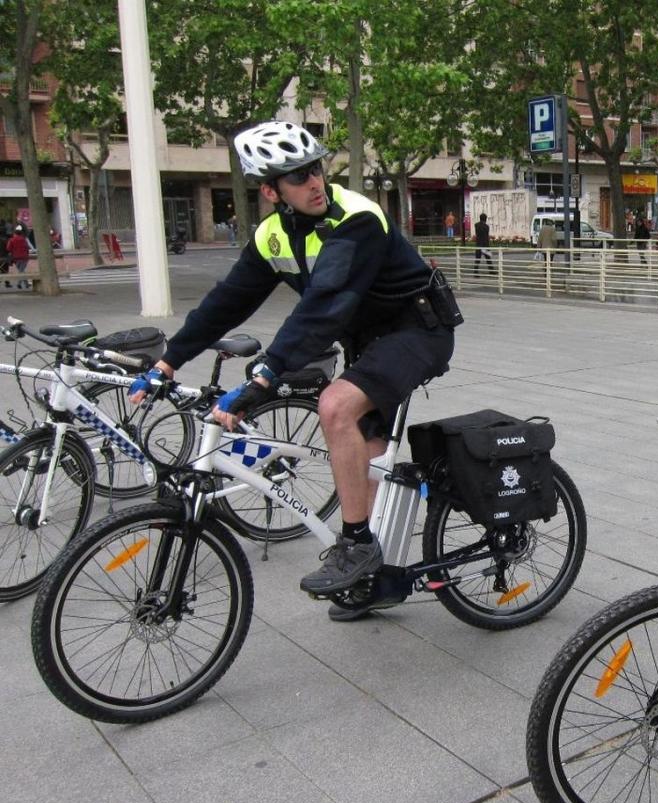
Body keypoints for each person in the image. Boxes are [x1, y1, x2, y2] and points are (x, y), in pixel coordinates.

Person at [128, 121, 460, 623]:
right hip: (368, 341)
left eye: (316, 169)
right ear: (270, 190)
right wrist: (167, 362)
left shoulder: (356, 219)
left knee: (335, 405)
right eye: (298, 176)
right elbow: (227, 302)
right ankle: (372, 575)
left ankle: (355, 546)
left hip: (418, 330)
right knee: (364, 455)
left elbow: (324, 306)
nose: (314, 182)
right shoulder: (272, 236)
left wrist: (264, 377)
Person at [5, 225, 32, 289]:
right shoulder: (24, 239)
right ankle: (21, 284)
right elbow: (27, 247)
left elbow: (8, 248)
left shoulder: (12, 240)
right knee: (21, 271)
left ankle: (24, 284)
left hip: (16, 257)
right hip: (24, 257)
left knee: (21, 271)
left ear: (15, 233)